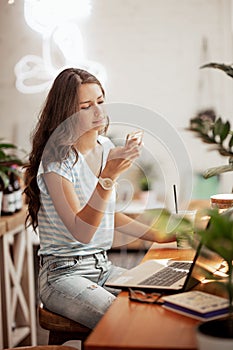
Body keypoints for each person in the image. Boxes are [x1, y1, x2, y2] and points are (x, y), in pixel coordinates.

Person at [24, 67, 176, 329]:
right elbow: (82, 232)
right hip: (62, 275)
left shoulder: (105, 147)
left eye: (100, 102)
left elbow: (107, 213)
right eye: (86, 106)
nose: (98, 112)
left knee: (161, 304)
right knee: (126, 323)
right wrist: (107, 178)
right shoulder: (55, 163)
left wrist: (162, 235)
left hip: (102, 266)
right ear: (66, 114)